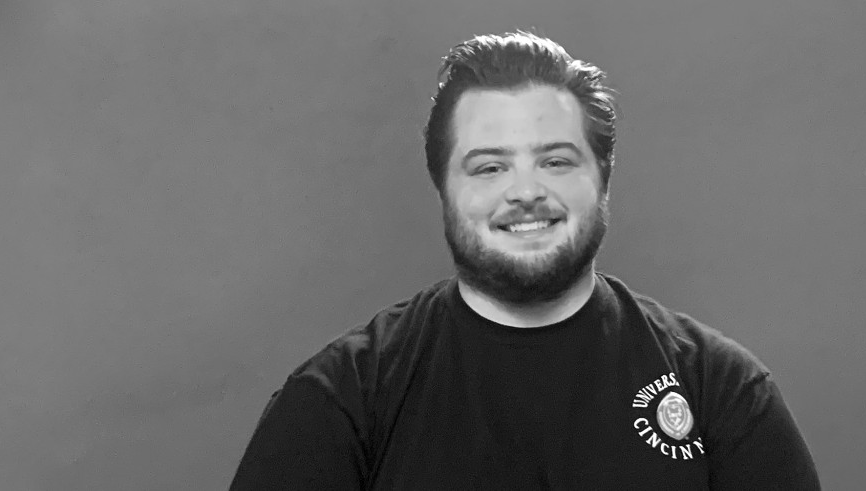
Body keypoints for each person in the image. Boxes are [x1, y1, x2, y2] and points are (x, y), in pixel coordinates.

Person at [230, 31, 820, 490]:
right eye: (490, 167)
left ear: (603, 180)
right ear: (443, 187)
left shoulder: (720, 389)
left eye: (556, 161)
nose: (526, 192)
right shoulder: (342, 400)